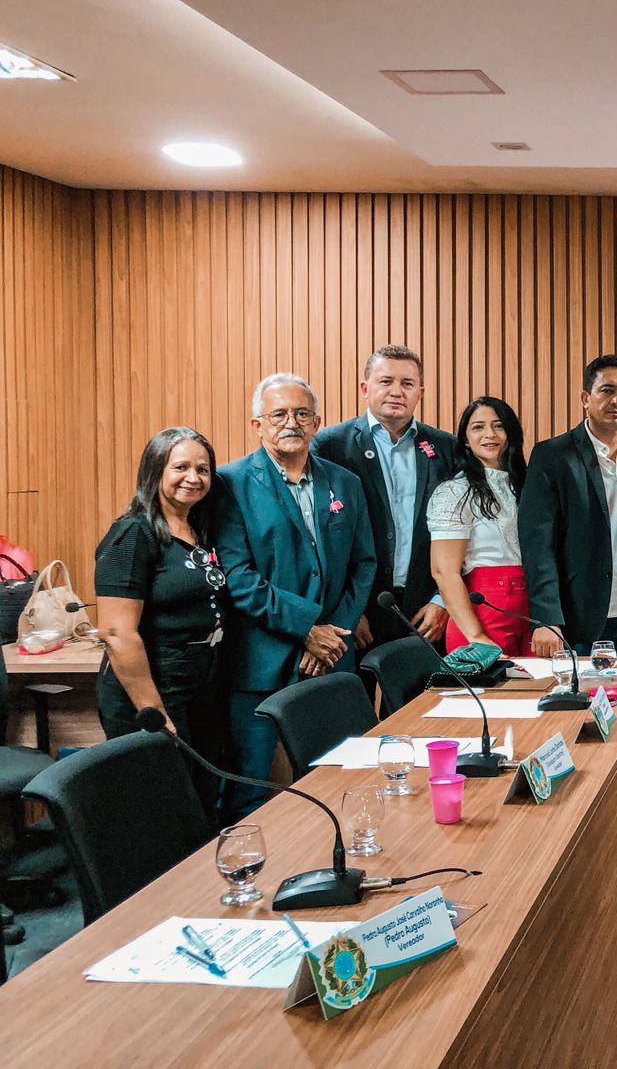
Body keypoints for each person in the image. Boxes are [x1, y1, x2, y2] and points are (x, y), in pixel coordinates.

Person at [214, 374, 377, 820]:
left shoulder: (344, 483)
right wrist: (306, 629)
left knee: (342, 781)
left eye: (302, 413)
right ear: (257, 424)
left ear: (317, 422)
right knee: (249, 787)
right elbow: (238, 577)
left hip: (332, 656)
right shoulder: (230, 483)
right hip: (262, 661)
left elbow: (363, 564)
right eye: (279, 414)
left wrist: (334, 634)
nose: (292, 422)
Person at [95, 427, 229, 815]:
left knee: (199, 797)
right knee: (161, 805)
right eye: (181, 467)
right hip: (152, 689)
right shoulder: (132, 534)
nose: (194, 478)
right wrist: (154, 714)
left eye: (203, 470)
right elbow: (117, 632)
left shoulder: (198, 530)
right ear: (154, 471)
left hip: (199, 685)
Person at [312, 344, 456, 651]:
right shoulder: (329, 447)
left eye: (407, 384)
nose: (396, 392)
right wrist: (350, 610)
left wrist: (444, 601)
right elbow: (320, 537)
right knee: (353, 699)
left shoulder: (446, 448)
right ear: (365, 388)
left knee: (429, 698)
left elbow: (466, 529)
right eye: (385, 381)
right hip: (356, 610)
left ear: (421, 392)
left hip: (427, 610)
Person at [519, 355, 617, 656]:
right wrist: (546, 618)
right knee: (586, 701)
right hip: (580, 615)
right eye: (606, 390)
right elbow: (537, 544)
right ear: (586, 398)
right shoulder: (552, 455)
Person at [427, 397, 531, 655]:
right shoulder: (455, 491)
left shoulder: (526, 485)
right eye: (478, 427)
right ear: (464, 439)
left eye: (498, 426)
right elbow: (444, 572)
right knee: (495, 694)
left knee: (541, 691)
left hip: (531, 611)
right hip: (484, 610)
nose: (489, 434)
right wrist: (476, 635)